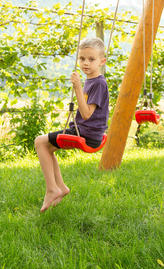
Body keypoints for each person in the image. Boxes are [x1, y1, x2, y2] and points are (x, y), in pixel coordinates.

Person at [34, 37, 109, 212]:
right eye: (82, 59)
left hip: (87, 134)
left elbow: (87, 114)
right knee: (47, 148)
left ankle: (52, 189)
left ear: (102, 61)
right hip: (83, 130)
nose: (85, 63)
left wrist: (77, 88)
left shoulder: (98, 83)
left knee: (39, 141)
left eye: (91, 59)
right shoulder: (92, 81)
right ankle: (60, 187)